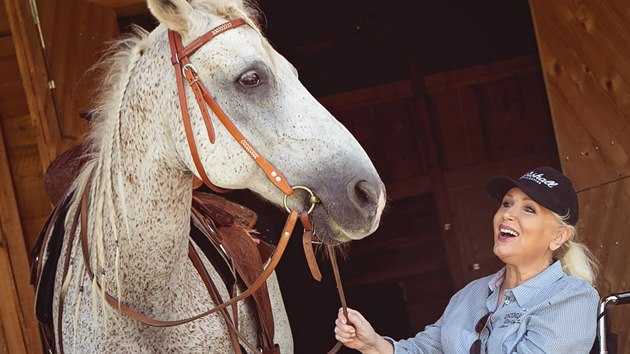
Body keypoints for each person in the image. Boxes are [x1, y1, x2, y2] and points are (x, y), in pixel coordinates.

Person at [334, 166, 600, 353]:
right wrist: (373, 344)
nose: (507, 214)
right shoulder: (471, 294)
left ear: (558, 237)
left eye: (528, 209)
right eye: (507, 203)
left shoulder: (573, 299)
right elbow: (428, 349)